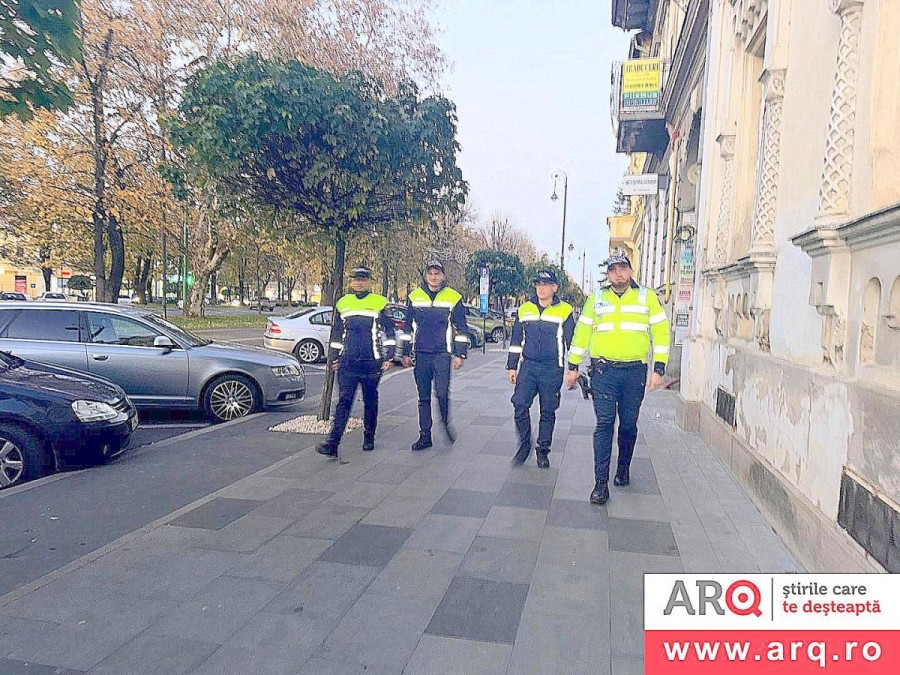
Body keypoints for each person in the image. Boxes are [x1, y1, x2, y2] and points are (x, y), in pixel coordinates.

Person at [565, 253, 670, 505]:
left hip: (634, 373)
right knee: (604, 425)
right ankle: (600, 484)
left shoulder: (647, 297)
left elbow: (661, 331)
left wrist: (659, 368)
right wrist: (573, 366)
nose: (618, 274)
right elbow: (581, 332)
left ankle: (623, 469)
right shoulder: (597, 298)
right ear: (608, 274)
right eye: (613, 270)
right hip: (603, 372)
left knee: (628, 425)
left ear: (631, 271)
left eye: (623, 268)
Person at [317, 267, 396, 457]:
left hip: (371, 362)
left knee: (370, 401)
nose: (359, 282)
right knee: (343, 401)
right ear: (351, 282)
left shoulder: (379, 302)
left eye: (363, 279)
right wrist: (334, 357)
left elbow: (390, 331)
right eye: (355, 279)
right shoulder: (343, 303)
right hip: (348, 362)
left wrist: (389, 356)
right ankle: (333, 443)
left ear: (370, 282)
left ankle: (369, 437)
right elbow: (337, 332)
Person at [506, 269, 575, 468]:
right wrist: (512, 366)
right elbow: (516, 339)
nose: (541, 288)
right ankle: (524, 444)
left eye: (545, 284)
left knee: (548, 411)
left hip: (552, 368)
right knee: (519, 404)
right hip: (528, 366)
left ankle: (543, 450)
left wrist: (574, 368)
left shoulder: (565, 310)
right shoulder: (525, 309)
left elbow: (572, 342)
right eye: (538, 284)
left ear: (554, 287)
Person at [400, 260, 468, 450]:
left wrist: (460, 354)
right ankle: (425, 435)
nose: (433, 277)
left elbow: (461, 328)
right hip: (421, 354)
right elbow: (407, 327)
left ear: (443, 276)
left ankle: (445, 423)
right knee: (423, 397)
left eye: (437, 273)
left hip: (442, 354)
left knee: (442, 393)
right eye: (430, 273)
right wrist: (405, 352)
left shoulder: (453, 297)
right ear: (425, 276)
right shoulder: (414, 296)